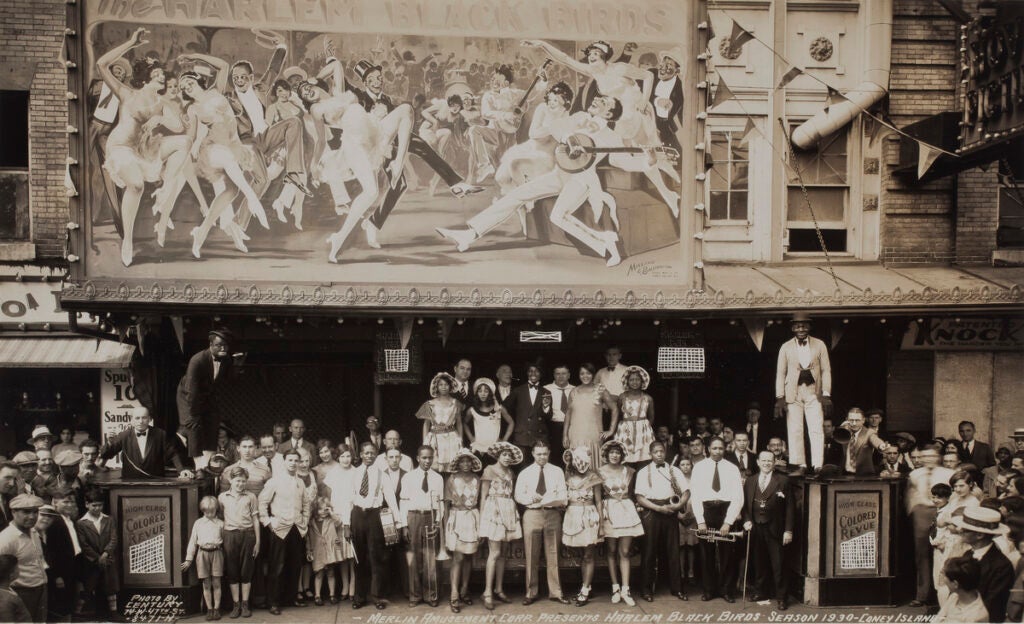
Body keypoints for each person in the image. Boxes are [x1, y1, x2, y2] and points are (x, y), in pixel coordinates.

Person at [340, 442, 403, 610]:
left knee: (377, 557)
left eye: (372, 453)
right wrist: (346, 525)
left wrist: (398, 522)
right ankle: (359, 597)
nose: (369, 456)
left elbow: (391, 500)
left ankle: (377, 596)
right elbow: (347, 501)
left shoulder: (383, 475)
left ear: (376, 455)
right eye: (366, 453)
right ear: (360, 454)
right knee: (359, 558)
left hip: (375, 517)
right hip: (357, 516)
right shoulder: (352, 475)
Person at [774, 312, 832, 475]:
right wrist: (780, 397)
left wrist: (826, 393)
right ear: (792, 328)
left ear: (809, 327)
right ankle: (800, 464)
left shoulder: (819, 344)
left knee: (816, 428)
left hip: (814, 390)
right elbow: (780, 372)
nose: (801, 329)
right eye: (798, 326)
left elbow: (826, 370)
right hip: (793, 392)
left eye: (804, 325)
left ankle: (818, 465)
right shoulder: (785, 347)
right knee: (795, 429)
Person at [258, 449, 314, 615]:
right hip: (280, 528)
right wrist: (269, 522)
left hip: (296, 528)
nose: (293, 463)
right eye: (290, 460)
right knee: (278, 566)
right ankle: (274, 602)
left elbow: (306, 504)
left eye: (296, 461)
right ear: (284, 462)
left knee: (295, 565)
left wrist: (303, 522)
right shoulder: (274, 481)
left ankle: (290, 598)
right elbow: (262, 503)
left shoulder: (300, 482)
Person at [515, 440, 569, 605]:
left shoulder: (557, 471)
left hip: (552, 514)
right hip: (532, 514)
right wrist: (530, 498)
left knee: (553, 554)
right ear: (532, 454)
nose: (542, 457)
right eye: (539, 454)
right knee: (531, 554)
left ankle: (556, 592)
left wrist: (549, 500)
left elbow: (563, 496)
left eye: (545, 453)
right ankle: (531, 592)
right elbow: (518, 495)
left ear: (549, 453)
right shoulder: (525, 473)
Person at [691, 437, 744, 603]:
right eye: (714, 448)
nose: (718, 451)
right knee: (706, 554)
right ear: (708, 449)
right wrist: (700, 520)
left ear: (725, 450)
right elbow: (695, 495)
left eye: (721, 448)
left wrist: (728, 522)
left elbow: (738, 497)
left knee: (728, 554)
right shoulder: (699, 468)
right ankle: (708, 590)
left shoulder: (732, 468)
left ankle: (727, 590)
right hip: (706, 511)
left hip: (725, 510)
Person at [177, 328, 236, 473]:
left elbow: (228, 379)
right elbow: (192, 390)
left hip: (208, 396)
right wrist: (194, 414)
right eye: (219, 345)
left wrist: (238, 365)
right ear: (211, 345)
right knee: (194, 425)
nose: (223, 348)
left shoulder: (227, 359)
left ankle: (205, 464)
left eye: (226, 346)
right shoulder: (197, 360)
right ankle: (199, 467)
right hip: (189, 396)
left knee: (213, 423)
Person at [636, 440, 688, 602]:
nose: (659, 454)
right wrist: (658, 509)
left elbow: (686, 491)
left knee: (673, 550)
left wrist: (679, 504)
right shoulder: (644, 471)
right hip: (652, 511)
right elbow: (639, 497)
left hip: (671, 509)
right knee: (649, 550)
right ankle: (646, 589)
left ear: (665, 453)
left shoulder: (675, 470)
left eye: (661, 452)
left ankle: (677, 588)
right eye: (655, 452)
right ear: (650, 454)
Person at [743, 450, 795, 610]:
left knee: (778, 564)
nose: (766, 463)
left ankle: (781, 597)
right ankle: (761, 592)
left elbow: (790, 508)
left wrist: (788, 530)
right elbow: (745, 505)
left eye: (769, 461)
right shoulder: (750, 481)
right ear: (758, 462)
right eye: (763, 460)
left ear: (774, 463)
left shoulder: (783, 481)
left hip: (776, 528)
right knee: (759, 562)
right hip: (756, 527)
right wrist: (747, 520)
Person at [906, 447, 956, 607]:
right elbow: (910, 494)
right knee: (922, 555)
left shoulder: (947, 474)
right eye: (924, 456)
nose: (928, 459)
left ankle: (945, 593)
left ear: (938, 457)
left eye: (931, 456)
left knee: (944, 552)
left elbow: (954, 495)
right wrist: (914, 510)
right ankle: (922, 595)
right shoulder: (915, 474)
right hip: (922, 513)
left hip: (942, 512)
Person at [398, 445, 445, 608]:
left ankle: (431, 594)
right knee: (413, 558)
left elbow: (440, 503)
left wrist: (438, 522)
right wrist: (404, 525)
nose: (427, 461)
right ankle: (415, 595)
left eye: (430, 457)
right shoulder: (408, 477)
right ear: (417, 458)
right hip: (413, 518)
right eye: (424, 458)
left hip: (430, 517)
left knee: (430, 558)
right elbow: (403, 501)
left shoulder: (438, 478)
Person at [478, 442, 522, 611]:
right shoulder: (489, 470)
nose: (507, 458)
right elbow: (483, 496)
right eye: (504, 455)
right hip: (493, 510)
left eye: (510, 456)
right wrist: (482, 520)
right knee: (494, 552)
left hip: (508, 509)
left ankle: (499, 588)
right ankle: (487, 592)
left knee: (503, 553)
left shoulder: (511, 472)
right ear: (498, 455)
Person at [599, 440, 643, 606]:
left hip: (626, 509)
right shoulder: (600, 472)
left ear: (622, 455)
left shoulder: (630, 471)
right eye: (612, 452)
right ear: (607, 454)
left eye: (617, 453)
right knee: (611, 550)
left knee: (624, 551)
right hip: (609, 509)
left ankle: (626, 588)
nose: (614, 455)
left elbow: (632, 493)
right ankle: (615, 587)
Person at [953, 506, 1014, 622]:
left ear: (980, 535)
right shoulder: (968, 554)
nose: (959, 530)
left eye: (965, 529)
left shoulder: (1001, 566)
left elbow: (993, 604)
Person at [99, 406, 192, 480]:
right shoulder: (124, 435)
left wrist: (182, 470)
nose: (140, 421)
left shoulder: (160, 434)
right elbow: (105, 454)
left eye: (144, 418)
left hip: (156, 482)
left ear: (150, 419)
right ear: (132, 420)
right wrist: (109, 442)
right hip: (130, 483)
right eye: (137, 418)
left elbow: (173, 454)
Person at [219, 466, 261, 618]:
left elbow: (256, 519)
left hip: (248, 535)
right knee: (232, 571)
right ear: (230, 480)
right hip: (230, 535)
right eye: (237, 481)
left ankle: (245, 604)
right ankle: (235, 605)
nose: (240, 484)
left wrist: (258, 542)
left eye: (243, 481)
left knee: (246, 571)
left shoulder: (251, 497)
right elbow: (220, 519)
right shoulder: (222, 497)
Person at [0, 494, 47, 622]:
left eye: (35, 512)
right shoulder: (6, 539)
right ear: (13, 512)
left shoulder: (34, 532)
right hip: (21, 593)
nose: (32, 516)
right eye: (26, 512)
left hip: (41, 589)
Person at [445, 449, 481, 612]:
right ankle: (454, 594)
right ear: (458, 463)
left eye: (468, 461)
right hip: (457, 517)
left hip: (472, 517)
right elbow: (446, 505)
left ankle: (464, 590)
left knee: (468, 557)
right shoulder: (452, 479)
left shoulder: (477, 479)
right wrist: (447, 526)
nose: (466, 464)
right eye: (462, 461)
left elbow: (478, 502)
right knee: (458, 557)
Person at [565, 363, 618, 468]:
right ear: (578, 375)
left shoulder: (600, 389)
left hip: (593, 435)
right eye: (582, 373)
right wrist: (565, 435)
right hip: (575, 435)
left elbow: (615, 409)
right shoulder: (573, 391)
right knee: (577, 467)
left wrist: (611, 430)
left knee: (595, 465)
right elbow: (568, 414)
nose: (585, 376)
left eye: (588, 373)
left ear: (593, 374)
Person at [76, 488, 118, 617]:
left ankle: (113, 612)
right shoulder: (81, 523)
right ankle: (77, 612)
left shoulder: (109, 519)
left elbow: (114, 538)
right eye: (94, 505)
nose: (97, 508)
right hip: (91, 561)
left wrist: (105, 554)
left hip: (108, 559)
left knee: (110, 586)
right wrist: (97, 558)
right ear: (87, 504)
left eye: (100, 505)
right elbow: (84, 544)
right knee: (88, 586)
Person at [182, 496, 225, 621]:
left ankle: (217, 609)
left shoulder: (221, 523)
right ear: (203, 510)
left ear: (216, 509)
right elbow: (192, 541)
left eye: (212, 511)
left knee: (216, 582)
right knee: (206, 583)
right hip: (202, 554)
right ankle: (209, 609)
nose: (209, 514)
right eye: (206, 511)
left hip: (217, 553)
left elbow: (224, 541)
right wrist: (189, 558)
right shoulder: (198, 523)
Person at [43, 485, 81, 622]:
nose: (69, 504)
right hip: (61, 571)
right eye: (65, 502)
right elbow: (50, 552)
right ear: (55, 502)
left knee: (69, 601)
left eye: (72, 501)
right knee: (60, 606)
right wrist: (56, 576)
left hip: (72, 566)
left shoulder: (69, 520)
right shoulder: (55, 522)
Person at [504, 364, 554, 460]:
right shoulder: (518, 390)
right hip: (521, 437)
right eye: (530, 371)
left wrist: (545, 407)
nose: (533, 373)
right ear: (527, 373)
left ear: (541, 374)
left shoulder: (546, 392)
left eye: (536, 371)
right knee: (521, 469)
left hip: (539, 438)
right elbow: (504, 407)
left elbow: (549, 416)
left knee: (539, 468)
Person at [418, 373, 465, 473]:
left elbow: (459, 423)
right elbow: (426, 424)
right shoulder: (430, 404)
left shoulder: (455, 403)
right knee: (434, 468)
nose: (443, 387)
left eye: (446, 384)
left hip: (451, 437)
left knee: (452, 468)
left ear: (450, 386)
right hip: (435, 438)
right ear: (437, 387)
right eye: (441, 385)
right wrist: (425, 443)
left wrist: (460, 440)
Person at [306, 497, 344, 606]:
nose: (323, 512)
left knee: (331, 573)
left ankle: (332, 595)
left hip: (330, 551)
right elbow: (308, 538)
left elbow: (339, 522)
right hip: (317, 551)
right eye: (320, 509)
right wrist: (309, 551)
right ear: (315, 510)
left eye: (325, 509)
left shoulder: (331, 520)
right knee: (319, 573)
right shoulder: (311, 523)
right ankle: (317, 595)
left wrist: (331, 513)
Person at [613, 366, 655, 465]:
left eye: (637, 379)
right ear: (627, 382)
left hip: (643, 432)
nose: (634, 382)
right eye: (631, 380)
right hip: (625, 430)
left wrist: (645, 428)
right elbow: (618, 414)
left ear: (642, 381)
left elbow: (651, 417)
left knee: (643, 458)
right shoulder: (622, 397)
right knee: (625, 458)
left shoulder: (647, 398)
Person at [465, 379, 515, 460]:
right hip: (478, 448)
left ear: (490, 393)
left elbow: (511, 423)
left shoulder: (498, 408)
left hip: (495, 449)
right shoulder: (472, 410)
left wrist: (504, 440)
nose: (483, 394)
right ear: (476, 393)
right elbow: (465, 423)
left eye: (486, 391)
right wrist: (471, 438)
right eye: (480, 391)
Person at [933, 555, 989, 623]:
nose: (943, 579)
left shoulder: (977, 616)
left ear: (955, 584)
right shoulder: (954, 597)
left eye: (945, 576)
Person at [837, 408, 888, 476]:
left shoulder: (869, 432)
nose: (854, 423)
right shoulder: (844, 432)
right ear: (846, 420)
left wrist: (881, 445)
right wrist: (841, 428)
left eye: (857, 420)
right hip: (845, 475)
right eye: (851, 420)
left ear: (863, 420)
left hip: (864, 476)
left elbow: (874, 439)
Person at [545, 365, 575, 465]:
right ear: (554, 375)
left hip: (572, 426)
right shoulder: (546, 389)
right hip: (553, 427)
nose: (561, 376)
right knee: (555, 457)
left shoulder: (575, 389)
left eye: (564, 373)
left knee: (571, 455)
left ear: (569, 375)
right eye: (558, 374)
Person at [0, 554, 30, 622]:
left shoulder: (7, 589)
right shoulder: (6, 601)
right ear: (11, 575)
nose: (19, 569)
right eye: (17, 567)